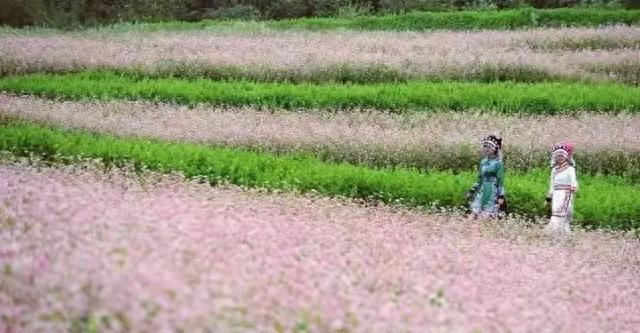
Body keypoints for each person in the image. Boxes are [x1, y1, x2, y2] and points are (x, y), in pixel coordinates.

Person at [465, 135, 506, 219]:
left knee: (487, 215)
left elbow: (500, 181)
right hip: (482, 189)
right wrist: (472, 190)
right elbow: (479, 178)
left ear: (495, 148)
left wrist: (501, 195)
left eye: (489, 147)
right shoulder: (483, 162)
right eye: (485, 146)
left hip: (492, 190)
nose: (486, 149)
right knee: (474, 213)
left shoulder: (498, 163)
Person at [545, 142, 578, 234]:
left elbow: (573, 181)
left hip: (566, 193)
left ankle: (564, 232)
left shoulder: (570, 169)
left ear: (566, 157)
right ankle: (555, 232)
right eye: (558, 156)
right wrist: (549, 195)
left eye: (561, 156)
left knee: (562, 212)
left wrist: (574, 186)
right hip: (556, 194)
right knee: (555, 211)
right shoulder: (554, 170)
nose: (560, 158)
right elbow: (552, 184)